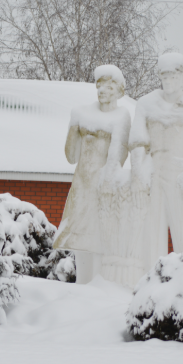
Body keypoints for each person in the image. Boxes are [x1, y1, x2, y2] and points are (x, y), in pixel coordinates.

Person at [129, 53, 183, 261]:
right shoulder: (146, 103)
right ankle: (150, 282)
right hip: (152, 173)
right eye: (165, 76)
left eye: (174, 76)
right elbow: (137, 143)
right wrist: (138, 175)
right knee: (151, 235)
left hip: (180, 174)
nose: (168, 81)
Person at [53, 65, 131, 284]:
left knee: (100, 236)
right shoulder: (82, 113)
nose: (102, 90)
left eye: (108, 86)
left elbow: (118, 158)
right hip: (81, 183)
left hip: (103, 185)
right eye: (99, 85)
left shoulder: (122, 117)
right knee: (79, 235)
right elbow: (71, 156)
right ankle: (81, 283)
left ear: (119, 90)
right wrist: (74, 128)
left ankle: (97, 284)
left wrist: (105, 182)